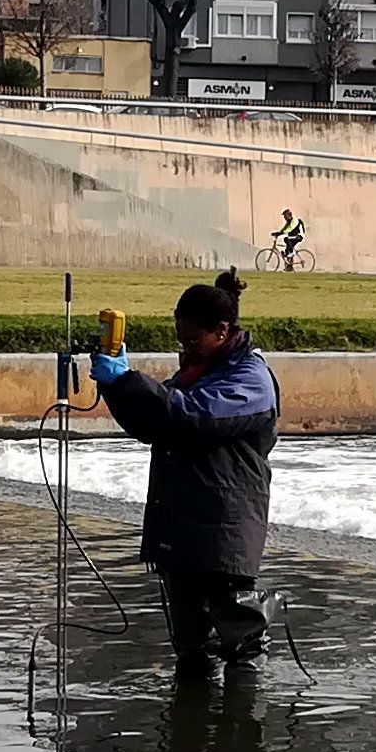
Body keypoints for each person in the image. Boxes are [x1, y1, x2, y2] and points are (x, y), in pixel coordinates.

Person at [93, 268, 278, 673]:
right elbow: (154, 424)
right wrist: (116, 387)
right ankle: (192, 728)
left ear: (223, 331)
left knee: (241, 643)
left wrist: (129, 380)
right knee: (191, 646)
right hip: (182, 524)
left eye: (193, 340)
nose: (186, 348)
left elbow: (193, 417)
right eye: (181, 340)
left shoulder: (251, 380)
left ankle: (244, 730)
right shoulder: (197, 372)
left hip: (224, 526)